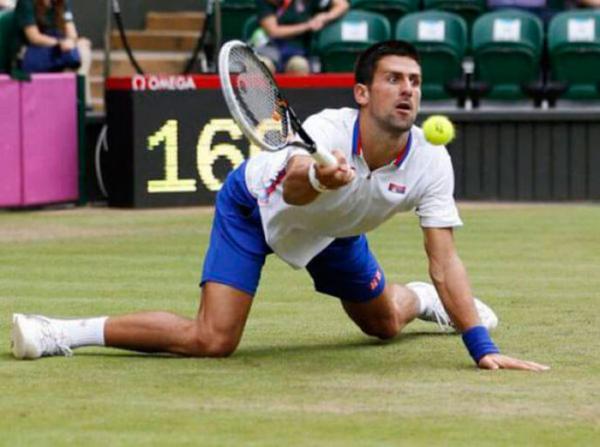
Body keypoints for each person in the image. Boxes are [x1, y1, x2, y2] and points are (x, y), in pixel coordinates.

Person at [11, 41, 549, 371]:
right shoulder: (326, 130)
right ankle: (61, 331)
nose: (407, 90)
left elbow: (444, 258)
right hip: (253, 210)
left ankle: (426, 303)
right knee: (212, 340)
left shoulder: (431, 160)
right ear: (362, 93)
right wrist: (317, 175)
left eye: (414, 81)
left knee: (385, 324)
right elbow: (293, 187)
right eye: (392, 79)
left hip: (333, 232)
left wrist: (481, 346)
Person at [14, 0, 91, 101]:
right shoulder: (26, 2)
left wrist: (75, 42)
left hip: (57, 47)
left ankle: (82, 102)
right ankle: (71, 99)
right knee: (71, 56)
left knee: (83, 51)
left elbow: (71, 33)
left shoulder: (63, 2)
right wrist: (60, 43)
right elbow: (34, 37)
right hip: (31, 51)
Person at [253, 0, 349, 73]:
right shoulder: (265, 3)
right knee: (264, 65)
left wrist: (325, 17)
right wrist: (308, 26)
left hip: (297, 50)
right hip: (271, 49)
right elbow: (274, 31)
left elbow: (342, 4)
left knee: (299, 65)